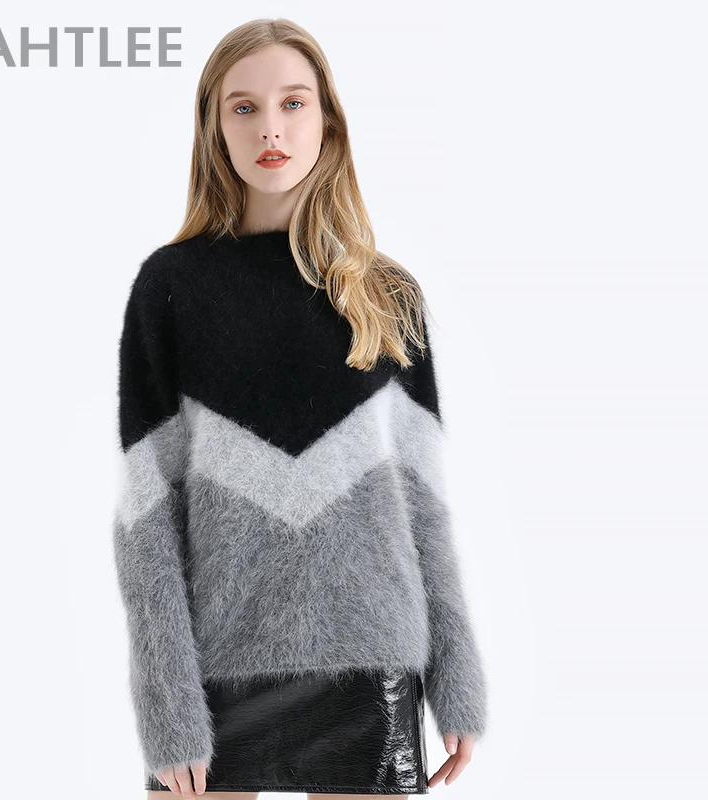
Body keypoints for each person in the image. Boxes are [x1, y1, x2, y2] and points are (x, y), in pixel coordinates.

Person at [113, 17, 489, 800]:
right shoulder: (170, 288)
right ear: (214, 128)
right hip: (215, 671)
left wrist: (456, 676)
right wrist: (166, 702)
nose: (271, 129)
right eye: (243, 107)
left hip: (370, 665)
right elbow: (146, 517)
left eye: (293, 102)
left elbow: (423, 506)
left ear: (328, 121)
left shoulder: (388, 293)